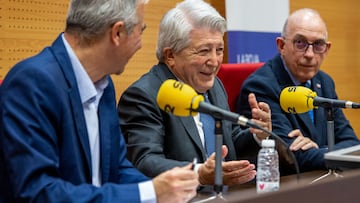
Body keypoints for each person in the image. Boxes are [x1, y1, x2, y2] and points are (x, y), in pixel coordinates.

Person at [0, 0, 200, 202]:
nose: (140, 44)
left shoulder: (103, 84)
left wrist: (168, 191)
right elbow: (38, 192)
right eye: (141, 30)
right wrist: (152, 193)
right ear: (117, 33)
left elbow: (117, 168)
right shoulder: (32, 83)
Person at [117, 0, 272, 186]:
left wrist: (257, 134)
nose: (214, 61)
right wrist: (198, 173)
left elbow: (229, 140)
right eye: (204, 51)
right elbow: (144, 161)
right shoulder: (144, 96)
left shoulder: (214, 86)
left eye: (219, 50)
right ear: (170, 55)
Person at [236, 8, 360, 173]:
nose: (309, 54)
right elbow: (291, 156)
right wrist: (328, 151)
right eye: (300, 43)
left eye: (318, 44)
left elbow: (351, 142)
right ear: (281, 45)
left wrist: (319, 149)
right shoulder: (261, 86)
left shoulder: (324, 82)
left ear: (327, 48)